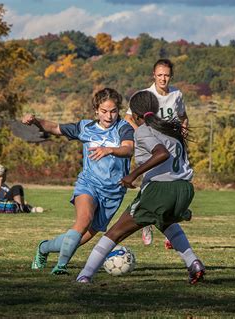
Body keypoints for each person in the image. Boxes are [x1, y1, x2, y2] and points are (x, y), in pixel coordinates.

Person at [76, 90, 205, 285]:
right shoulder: (172, 128)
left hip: (160, 190)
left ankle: (84, 276)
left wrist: (132, 175)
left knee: (115, 232)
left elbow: (161, 153)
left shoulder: (144, 130)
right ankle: (194, 263)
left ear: (135, 115)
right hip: (185, 189)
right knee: (166, 223)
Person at [21, 87, 134, 275]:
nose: (109, 116)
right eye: (104, 111)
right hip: (88, 184)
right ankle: (61, 267)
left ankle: (44, 248)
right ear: (96, 110)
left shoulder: (123, 128)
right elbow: (55, 128)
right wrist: (35, 121)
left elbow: (128, 149)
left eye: (113, 111)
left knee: (80, 238)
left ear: (118, 111)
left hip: (113, 193)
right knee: (83, 221)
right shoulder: (85, 127)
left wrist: (109, 150)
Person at [125, 58, 189, 248]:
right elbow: (128, 117)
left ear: (171, 76)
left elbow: (183, 117)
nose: (163, 79)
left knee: (173, 183)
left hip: (171, 147)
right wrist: (142, 133)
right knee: (152, 183)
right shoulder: (145, 95)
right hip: (153, 147)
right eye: (160, 75)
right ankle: (147, 224)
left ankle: (170, 230)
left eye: (167, 75)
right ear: (153, 75)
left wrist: (182, 132)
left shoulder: (176, 94)